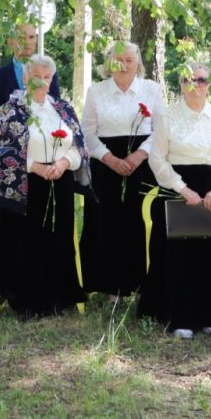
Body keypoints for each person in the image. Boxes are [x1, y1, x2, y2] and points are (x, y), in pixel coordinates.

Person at [139, 63, 211, 339]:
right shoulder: (166, 115)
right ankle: (180, 317)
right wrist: (184, 190)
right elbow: (157, 159)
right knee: (181, 257)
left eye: (201, 79)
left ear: (209, 83)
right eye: (189, 79)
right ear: (181, 84)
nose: (195, 84)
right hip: (180, 192)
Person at [0, 55, 87, 318]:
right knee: (29, 243)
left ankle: (61, 297)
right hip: (26, 185)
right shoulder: (10, 110)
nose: (42, 82)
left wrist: (64, 163)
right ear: (26, 78)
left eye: (47, 77)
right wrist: (35, 166)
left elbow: (78, 146)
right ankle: (30, 302)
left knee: (60, 237)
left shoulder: (62, 107)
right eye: (37, 77)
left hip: (59, 182)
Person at [79, 42, 163, 301]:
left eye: (129, 60)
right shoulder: (96, 91)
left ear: (138, 62)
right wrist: (110, 159)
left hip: (143, 163)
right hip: (106, 164)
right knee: (107, 221)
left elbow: (161, 130)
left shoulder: (151, 89)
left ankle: (139, 283)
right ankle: (110, 285)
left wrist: (139, 155)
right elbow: (87, 133)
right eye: (118, 60)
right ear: (109, 64)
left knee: (136, 220)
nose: (124, 65)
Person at [0, 24, 60, 124]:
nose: (27, 42)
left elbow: (57, 109)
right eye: (21, 37)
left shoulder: (49, 73)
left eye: (31, 37)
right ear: (10, 41)